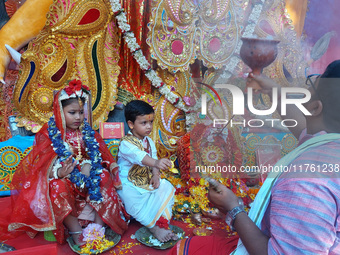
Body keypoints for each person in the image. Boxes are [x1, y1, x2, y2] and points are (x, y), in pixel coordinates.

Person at [169, 60, 340, 254]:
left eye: (311, 85)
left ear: (315, 108)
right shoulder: (328, 145)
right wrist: (270, 88)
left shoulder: (305, 179)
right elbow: (305, 127)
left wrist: (233, 209)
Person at [0, 80, 129, 248]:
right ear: (60, 111)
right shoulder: (50, 134)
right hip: (65, 177)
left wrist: (89, 166)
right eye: (72, 112)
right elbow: (42, 166)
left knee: (102, 176)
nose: (78, 117)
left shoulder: (87, 132)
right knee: (57, 186)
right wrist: (60, 172)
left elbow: (101, 155)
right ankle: (75, 231)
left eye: (80, 112)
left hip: (88, 175)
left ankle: (98, 227)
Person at [117, 100, 178, 243]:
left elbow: (153, 160)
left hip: (146, 182)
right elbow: (142, 158)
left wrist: (156, 175)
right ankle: (154, 228)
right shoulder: (126, 143)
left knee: (166, 186)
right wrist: (156, 163)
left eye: (150, 122)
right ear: (131, 124)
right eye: (144, 123)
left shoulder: (148, 141)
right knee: (129, 197)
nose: (149, 127)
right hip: (129, 184)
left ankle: (162, 223)